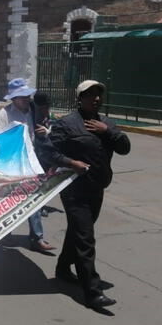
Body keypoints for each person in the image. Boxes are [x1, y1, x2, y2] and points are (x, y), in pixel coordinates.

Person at [49, 80, 130, 309]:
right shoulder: (66, 124)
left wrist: (109, 132)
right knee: (86, 238)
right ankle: (92, 293)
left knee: (78, 232)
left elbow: (125, 147)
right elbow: (48, 151)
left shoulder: (106, 123)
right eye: (90, 94)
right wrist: (70, 162)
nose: (96, 98)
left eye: (98, 95)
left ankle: (63, 269)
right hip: (75, 191)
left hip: (97, 189)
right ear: (80, 98)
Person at [0, 78, 55, 252]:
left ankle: (37, 238)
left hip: (32, 160)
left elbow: (47, 124)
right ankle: (4, 234)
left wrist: (46, 131)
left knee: (33, 199)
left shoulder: (34, 110)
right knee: (10, 200)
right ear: (13, 99)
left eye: (27, 95)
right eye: (21, 97)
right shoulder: (5, 114)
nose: (26, 99)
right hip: (12, 164)